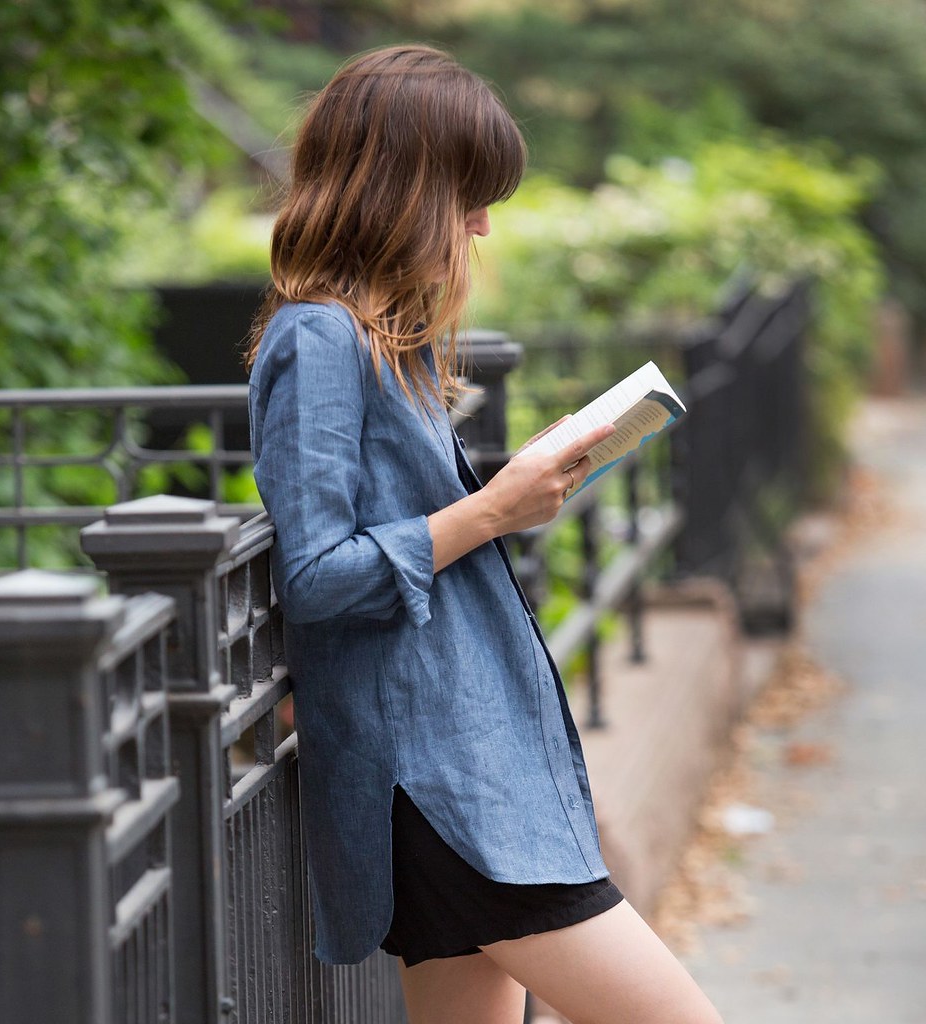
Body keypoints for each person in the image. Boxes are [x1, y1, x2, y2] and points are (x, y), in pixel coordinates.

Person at [246, 44, 722, 1024]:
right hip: (441, 786)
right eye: (466, 196)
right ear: (399, 190)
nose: (480, 224)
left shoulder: (386, 342)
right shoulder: (319, 338)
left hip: (460, 769)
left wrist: (508, 489)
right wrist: (494, 509)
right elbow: (317, 576)